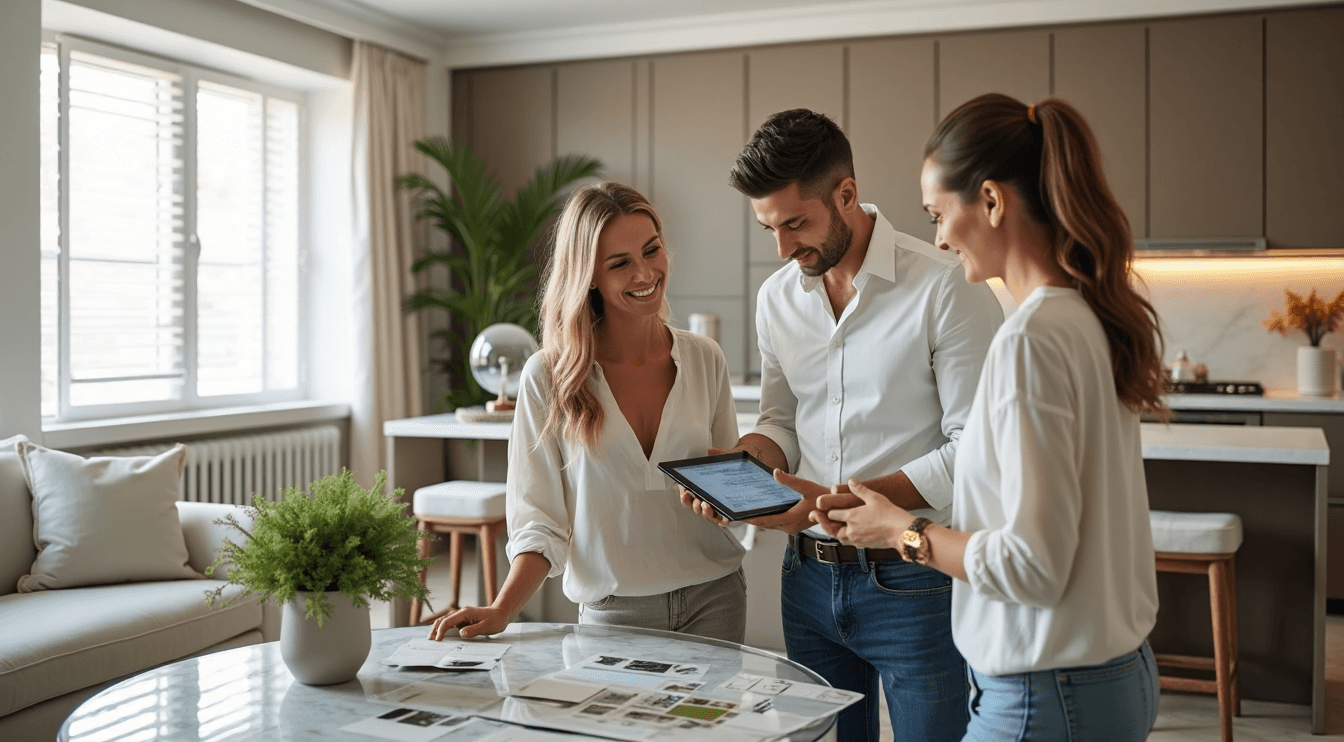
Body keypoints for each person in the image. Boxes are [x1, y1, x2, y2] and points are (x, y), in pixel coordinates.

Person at [815, 93, 1165, 740]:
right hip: (1113, 677)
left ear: (993, 201)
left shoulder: (1029, 340)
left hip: (1046, 693)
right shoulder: (1087, 318)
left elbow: (1031, 565)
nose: (939, 237)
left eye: (938, 214)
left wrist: (902, 533)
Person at [683, 108, 1004, 742]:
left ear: (847, 195)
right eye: (768, 228)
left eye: (796, 223)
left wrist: (848, 501)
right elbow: (780, 419)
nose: (782, 247)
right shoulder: (776, 298)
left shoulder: (945, 286)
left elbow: (977, 451)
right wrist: (744, 468)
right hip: (806, 577)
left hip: (915, 579)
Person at [429, 182, 746, 642]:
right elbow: (539, 521)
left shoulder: (705, 359)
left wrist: (742, 497)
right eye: (620, 264)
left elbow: (730, 490)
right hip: (614, 613)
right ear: (589, 276)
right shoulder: (549, 376)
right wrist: (502, 610)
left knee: (712, 718)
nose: (645, 273)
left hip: (716, 599)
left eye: (651, 251)